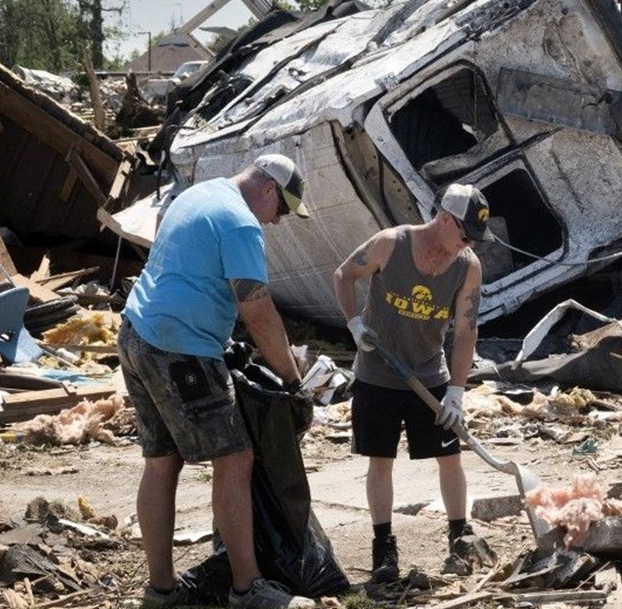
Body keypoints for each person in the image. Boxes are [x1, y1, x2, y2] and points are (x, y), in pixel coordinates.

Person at [118, 154, 317, 609]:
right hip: (180, 349)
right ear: (269, 189)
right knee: (236, 459)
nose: (278, 222)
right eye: (282, 210)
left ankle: (161, 591)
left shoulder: (198, 194)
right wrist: (291, 379)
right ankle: (248, 589)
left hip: (136, 334)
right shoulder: (240, 221)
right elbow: (256, 308)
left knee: (161, 462)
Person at [332, 183, 489, 583]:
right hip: (378, 374)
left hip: (428, 375)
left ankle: (460, 535)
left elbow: (466, 331)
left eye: (473, 238)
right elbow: (344, 276)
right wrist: (354, 325)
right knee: (380, 460)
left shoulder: (467, 266)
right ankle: (383, 545)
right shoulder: (391, 244)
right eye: (464, 234)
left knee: (450, 458)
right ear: (444, 218)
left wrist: (456, 390)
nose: (467, 244)